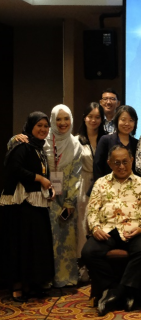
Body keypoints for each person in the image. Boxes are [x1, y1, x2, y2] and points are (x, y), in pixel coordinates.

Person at [82, 145, 141, 316]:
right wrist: (95, 228)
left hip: (134, 230)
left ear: (132, 161)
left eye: (125, 162)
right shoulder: (101, 183)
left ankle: (120, 291)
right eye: (117, 163)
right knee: (88, 252)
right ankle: (113, 288)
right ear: (109, 163)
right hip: (108, 230)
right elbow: (91, 211)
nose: (121, 166)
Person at [0, 112, 54, 302]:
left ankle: (30, 284)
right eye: (39, 125)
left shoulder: (39, 148)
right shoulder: (21, 144)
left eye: (46, 126)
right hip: (19, 206)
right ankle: (16, 287)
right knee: (20, 246)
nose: (43, 129)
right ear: (30, 126)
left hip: (35, 203)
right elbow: (14, 168)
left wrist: (48, 187)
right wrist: (39, 178)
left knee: (34, 246)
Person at [44, 105, 82, 288]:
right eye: (58, 119)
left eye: (66, 118)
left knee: (66, 239)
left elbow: (76, 174)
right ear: (52, 120)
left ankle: (65, 278)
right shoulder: (43, 141)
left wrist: (70, 201)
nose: (62, 123)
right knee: (45, 239)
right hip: (44, 197)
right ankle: (45, 280)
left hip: (67, 197)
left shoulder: (75, 144)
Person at [76, 102, 107, 281]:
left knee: (99, 223)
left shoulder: (107, 138)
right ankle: (82, 267)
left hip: (101, 185)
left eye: (97, 117)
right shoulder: (76, 140)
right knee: (82, 224)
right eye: (90, 116)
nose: (93, 120)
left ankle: (96, 266)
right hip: (83, 185)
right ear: (84, 118)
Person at [94, 105, 139, 181]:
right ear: (117, 120)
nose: (127, 123)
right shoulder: (105, 140)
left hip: (131, 187)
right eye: (123, 119)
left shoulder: (137, 143)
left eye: (131, 120)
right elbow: (97, 167)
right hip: (107, 186)